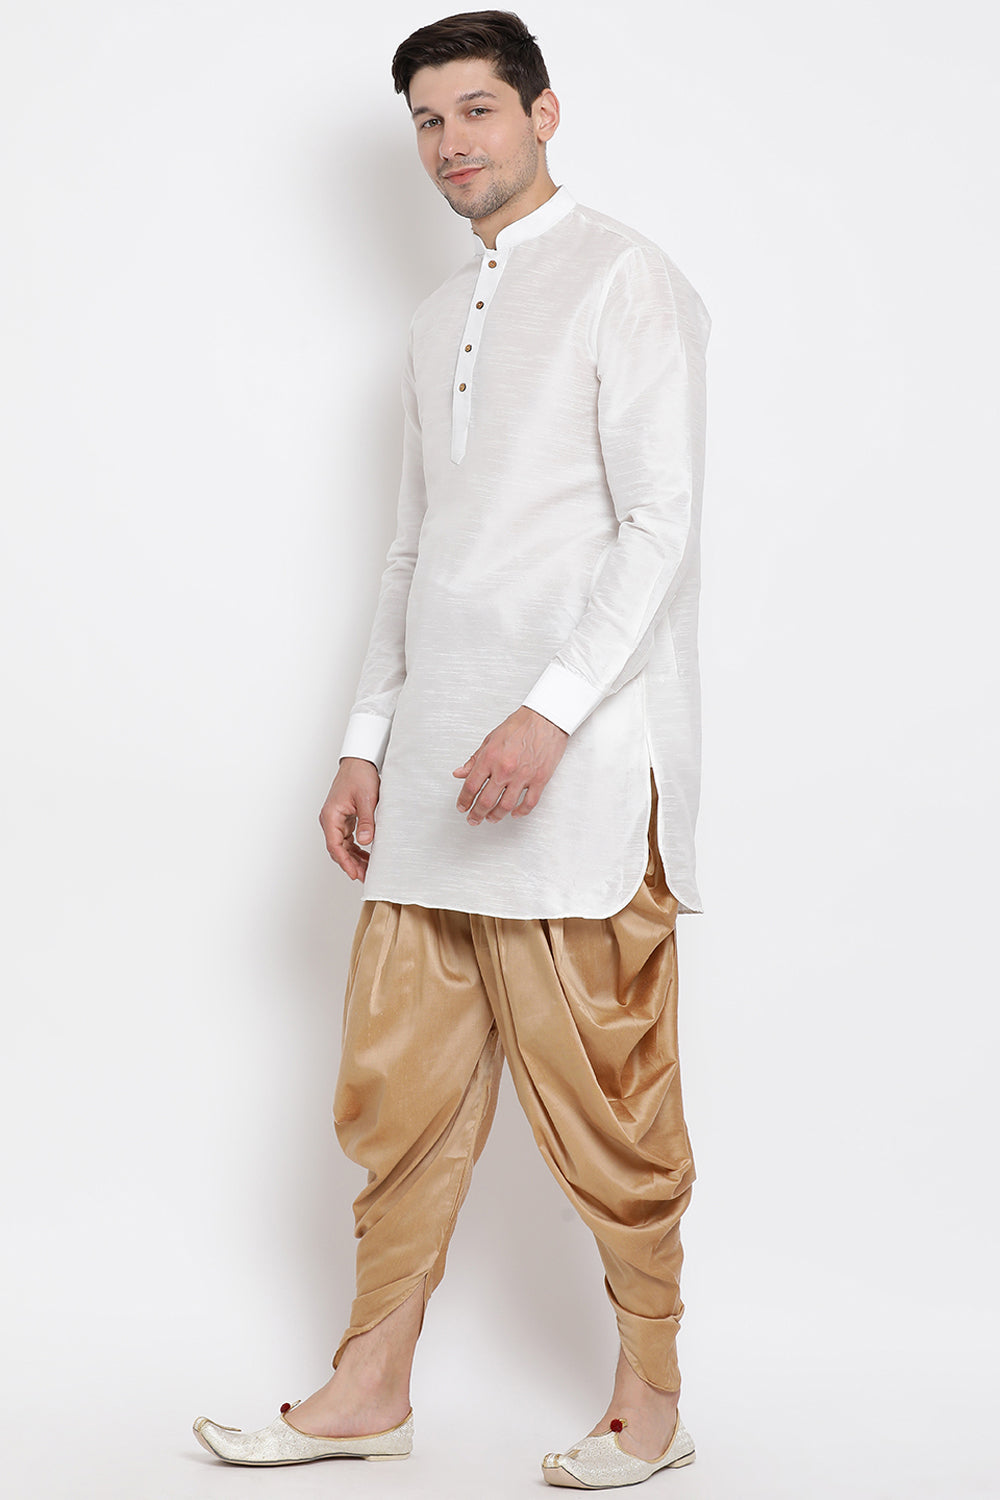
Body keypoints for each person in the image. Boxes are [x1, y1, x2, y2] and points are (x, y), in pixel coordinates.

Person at [193, 9, 710, 1488]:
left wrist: (549, 710)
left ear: (544, 113)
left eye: (477, 109)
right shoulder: (434, 322)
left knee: (609, 1092)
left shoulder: (626, 278)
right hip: (432, 763)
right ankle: (370, 1390)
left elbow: (660, 526)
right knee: (398, 1084)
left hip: (579, 762)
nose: (450, 143)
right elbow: (415, 549)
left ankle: (653, 1403)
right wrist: (366, 741)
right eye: (427, 121)